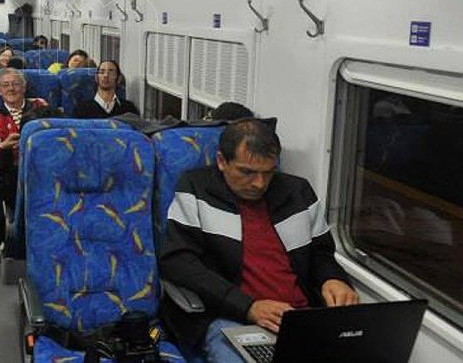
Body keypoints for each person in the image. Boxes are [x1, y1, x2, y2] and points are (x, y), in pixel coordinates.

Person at [159, 119, 358, 362]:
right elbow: (178, 262)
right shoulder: (196, 188)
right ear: (222, 161)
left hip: (299, 316)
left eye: (268, 172)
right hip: (231, 318)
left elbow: (321, 253)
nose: (259, 184)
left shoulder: (298, 192)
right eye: (247, 172)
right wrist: (248, 306)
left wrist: (333, 278)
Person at [0, 68, 48, 256]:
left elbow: (52, 134)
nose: (11, 88)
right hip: (12, 167)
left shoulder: (39, 105)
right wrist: (8, 146)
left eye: (16, 84)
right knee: (13, 181)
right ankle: (13, 239)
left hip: (43, 165)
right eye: (5, 85)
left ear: (24, 88)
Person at [72, 60, 139, 118]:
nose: (106, 75)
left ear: (118, 78)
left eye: (111, 72)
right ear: (96, 78)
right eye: (102, 72)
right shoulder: (81, 109)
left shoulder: (129, 109)